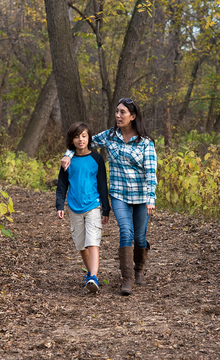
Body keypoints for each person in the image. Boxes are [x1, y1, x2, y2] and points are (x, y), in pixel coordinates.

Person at [61, 98, 157, 296]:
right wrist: (68, 154)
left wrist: (150, 197)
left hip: (141, 196)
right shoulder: (109, 136)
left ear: (133, 116)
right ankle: (127, 279)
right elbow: (83, 142)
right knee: (126, 231)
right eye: (117, 112)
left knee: (139, 235)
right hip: (119, 194)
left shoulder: (145, 142)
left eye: (122, 112)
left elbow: (151, 172)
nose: (118, 116)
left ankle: (138, 270)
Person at [56, 122, 110, 293]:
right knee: (81, 244)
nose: (81, 139)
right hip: (74, 206)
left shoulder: (97, 159)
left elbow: (102, 184)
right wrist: (60, 205)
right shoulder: (67, 161)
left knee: (93, 241)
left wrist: (106, 208)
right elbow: (62, 185)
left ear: (89, 138)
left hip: (93, 205)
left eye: (84, 136)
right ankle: (90, 273)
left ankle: (93, 277)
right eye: (77, 136)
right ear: (71, 140)